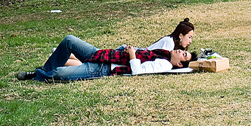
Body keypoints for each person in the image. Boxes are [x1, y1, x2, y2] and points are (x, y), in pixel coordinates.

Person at [17, 35, 194, 82]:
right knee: (69, 40)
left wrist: (132, 55)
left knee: (59, 74)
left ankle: (39, 74)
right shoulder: (162, 53)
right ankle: (42, 72)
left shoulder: (164, 65)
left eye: (183, 54)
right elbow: (143, 53)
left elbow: (138, 72)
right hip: (102, 54)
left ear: (179, 64)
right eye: (183, 51)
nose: (181, 51)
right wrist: (129, 49)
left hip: (102, 68)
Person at [63, 18, 194, 67]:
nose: (190, 41)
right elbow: (151, 57)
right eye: (189, 37)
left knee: (93, 57)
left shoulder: (174, 45)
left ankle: (67, 54)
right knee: (92, 58)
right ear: (180, 36)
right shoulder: (169, 44)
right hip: (129, 52)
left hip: (132, 53)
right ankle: (66, 54)